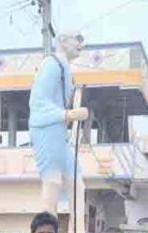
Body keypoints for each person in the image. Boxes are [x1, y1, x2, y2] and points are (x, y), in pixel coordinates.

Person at [29, 30, 88, 214]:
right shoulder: (51, 65)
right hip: (46, 128)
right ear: (62, 41)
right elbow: (37, 102)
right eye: (77, 38)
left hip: (60, 132)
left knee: (77, 183)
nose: (81, 43)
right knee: (52, 180)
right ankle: (47, 231)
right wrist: (68, 115)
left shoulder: (64, 67)